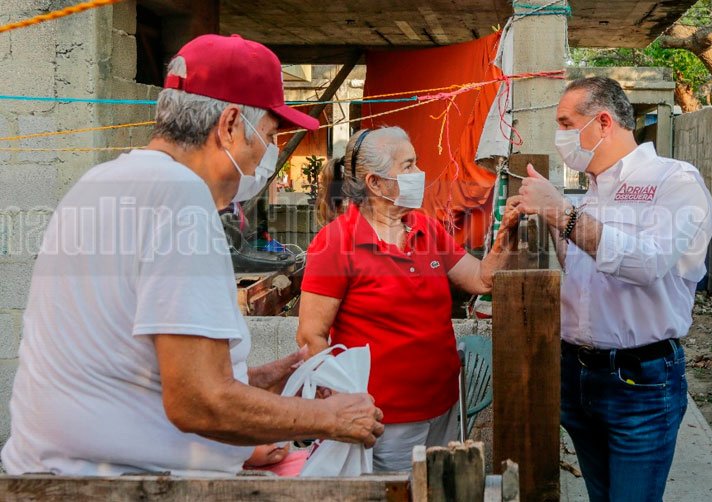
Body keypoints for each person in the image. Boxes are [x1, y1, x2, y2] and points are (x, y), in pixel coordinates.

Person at [1, 34, 384, 476]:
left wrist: (260, 382)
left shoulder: (102, 182)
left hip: (55, 474)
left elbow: (139, 373)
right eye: (270, 136)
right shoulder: (180, 200)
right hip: (112, 484)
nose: (269, 154)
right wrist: (330, 418)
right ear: (230, 125)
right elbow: (198, 401)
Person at [512, 77, 712, 501]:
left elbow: (648, 263)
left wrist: (561, 214)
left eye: (566, 123)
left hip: (639, 381)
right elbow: (582, 268)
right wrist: (546, 221)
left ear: (603, 122)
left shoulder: (674, 181)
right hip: (578, 375)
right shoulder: (591, 192)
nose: (560, 135)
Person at [297, 127, 520, 472]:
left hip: (443, 405)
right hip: (385, 419)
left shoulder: (426, 228)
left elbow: (480, 278)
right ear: (375, 183)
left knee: (440, 489)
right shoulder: (335, 242)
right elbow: (310, 335)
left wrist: (506, 233)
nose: (420, 172)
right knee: (403, 493)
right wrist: (340, 403)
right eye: (409, 165)